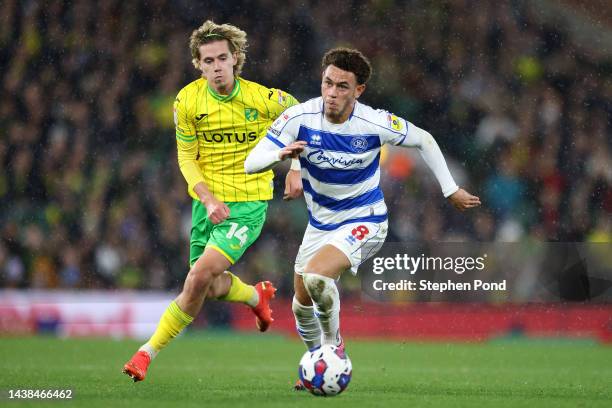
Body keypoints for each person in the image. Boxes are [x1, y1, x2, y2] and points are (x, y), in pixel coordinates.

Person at [244, 47, 481, 389]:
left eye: (342, 86)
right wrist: (281, 156)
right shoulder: (300, 117)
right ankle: (318, 361)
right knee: (300, 305)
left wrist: (449, 189)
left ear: (359, 91)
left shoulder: (374, 122)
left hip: (365, 219)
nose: (332, 93)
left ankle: (334, 347)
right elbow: (252, 161)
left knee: (316, 277)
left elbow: (424, 140)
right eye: (328, 83)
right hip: (320, 222)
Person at [123, 20, 300, 382]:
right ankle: (255, 296)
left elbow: (301, 118)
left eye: (223, 58)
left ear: (235, 59)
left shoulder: (263, 98)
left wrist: (295, 167)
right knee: (204, 284)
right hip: (209, 203)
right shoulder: (187, 101)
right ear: (198, 65)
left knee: (199, 275)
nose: (217, 67)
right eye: (209, 61)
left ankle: (145, 353)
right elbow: (186, 157)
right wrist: (206, 198)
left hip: (248, 203)